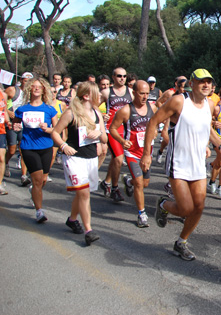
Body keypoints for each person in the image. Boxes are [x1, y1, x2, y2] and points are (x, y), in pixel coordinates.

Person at [140, 69, 221, 261]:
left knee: (199, 207)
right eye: (201, 82)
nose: (206, 85)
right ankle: (164, 204)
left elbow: (207, 128)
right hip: (178, 163)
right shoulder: (179, 101)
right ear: (192, 83)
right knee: (185, 209)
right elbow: (152, 123)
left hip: (198, 163)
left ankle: (181, 242)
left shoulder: (209, 103)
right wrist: (147, 154)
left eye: (209, 82)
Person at [51, 82, 107, 245]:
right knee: (84, 194)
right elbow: (55, 133)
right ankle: (89, 230)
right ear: (87, 96)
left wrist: (99, 133)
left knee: (82, 193)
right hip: (74, 157)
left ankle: (72, 219)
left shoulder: (97, 113)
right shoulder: (71, 113)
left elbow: (105, 138)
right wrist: (63, 146)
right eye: (97, 94)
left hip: (90, 158)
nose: (100, 97)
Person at [109, 80, 158, 228]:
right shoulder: (126, 110)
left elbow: (157, 124)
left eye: (147, 94)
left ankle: (128, 181)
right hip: (132, 152)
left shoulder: (153, 108)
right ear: (134, 93)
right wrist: (122, 141)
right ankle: (141, 214)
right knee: (139, 183)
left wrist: (155, 131)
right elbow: (112, 128)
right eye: (142, 93)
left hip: (146, 152)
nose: (145, 97)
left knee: (145, 183)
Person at [13, 77, 58, 223]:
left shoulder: (50, 109)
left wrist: (48, 129)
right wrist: (16, 127)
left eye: (39, 86)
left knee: (43, 180)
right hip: (28, 147)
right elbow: (15, 124)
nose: (37, 88)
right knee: (38, 180)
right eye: (34, 86)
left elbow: (57, 129)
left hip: (46, 147)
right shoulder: (22, 110)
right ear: (29, 89)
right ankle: (39, 211)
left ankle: (33, 190)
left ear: (44, 89)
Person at [99, 67, 133, 202]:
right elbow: (92, 106)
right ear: (113, 77)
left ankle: (106, 182)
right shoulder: (107, 92)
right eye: (119, 76)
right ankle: (115, 188)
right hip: (111, 130)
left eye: (125, 76)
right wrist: (102, 115)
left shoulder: (130, 92)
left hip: (127, 130)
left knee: (115, 159)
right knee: (118, 159)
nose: (122, 79)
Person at [5, 72, 33, 183]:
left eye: (29, 82)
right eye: (25, 81)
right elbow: (2, 100)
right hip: (13, 123)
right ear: (21, 80)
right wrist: (8, 111)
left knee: (23, 151)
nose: (27, 84)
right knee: (12, 150)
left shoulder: (32, 93)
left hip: (25, 125)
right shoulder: (13, 90)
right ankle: (6, 163)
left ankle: (23, 176)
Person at [0, 86, 10, 195]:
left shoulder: (4, 95)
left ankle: (0, 184)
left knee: (1, 157)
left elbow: (5, 111)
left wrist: (8, 122)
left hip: (1, 130)